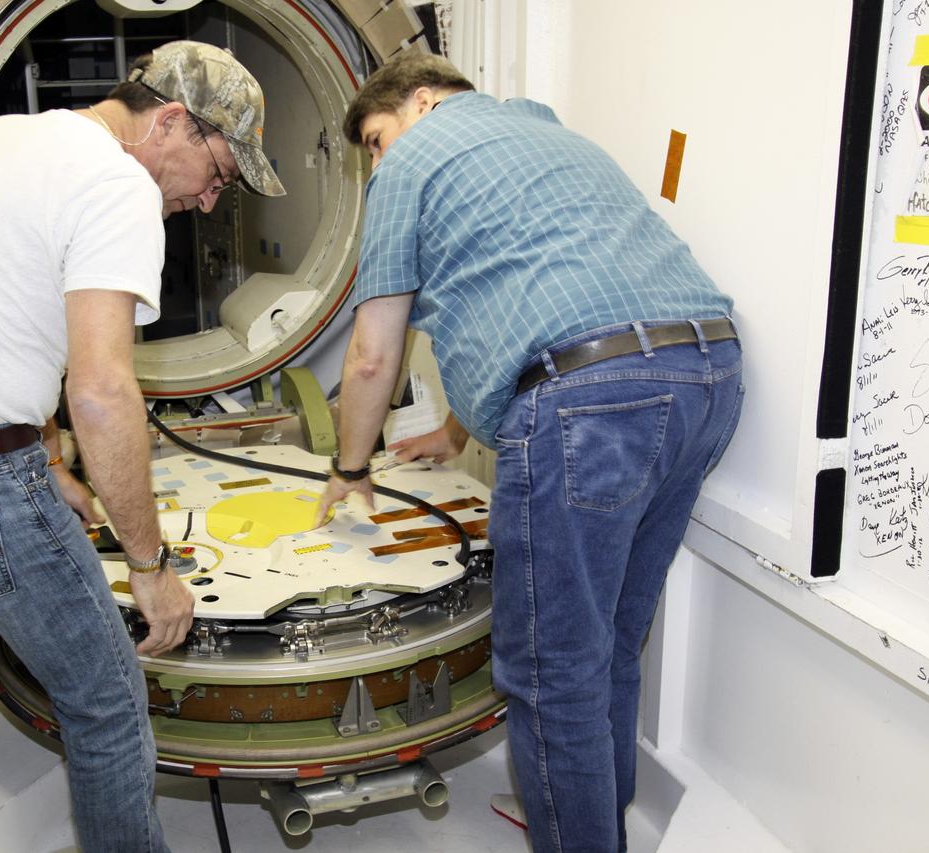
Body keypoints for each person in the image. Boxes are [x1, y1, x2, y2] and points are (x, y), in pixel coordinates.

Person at [0, 40, 285, 851]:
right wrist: (151, 569)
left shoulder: (10, 139)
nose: (207, 201)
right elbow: (100, 387)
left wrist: (50, 458)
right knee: (109, 707)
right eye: (219, 174)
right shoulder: (117, 184)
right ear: (169, 123)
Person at [318, 52, 743, 853]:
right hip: (708, 374)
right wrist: (454, 432)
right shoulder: (548, 134)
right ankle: (597, 828)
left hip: (595, 402)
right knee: (609, 644)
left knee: (550, 679)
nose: (378, 159)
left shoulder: (413, 158)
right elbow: (529, 289)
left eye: (374, 139)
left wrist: (350, 467)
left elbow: (373, 356)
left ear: (418, 102)